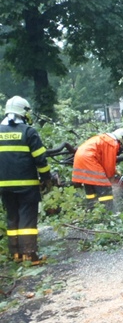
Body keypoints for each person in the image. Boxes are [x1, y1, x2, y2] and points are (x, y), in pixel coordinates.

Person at [0, 96, 52, 265]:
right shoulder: (28, 132)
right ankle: (29, 254)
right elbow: (40, 160)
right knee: (27, 220)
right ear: (24, 112)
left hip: (4, 186)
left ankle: (16, 254)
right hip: (27, 185)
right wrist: (46, 179)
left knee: (12, 217)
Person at [72, 128, 123, 210]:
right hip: (89, 160)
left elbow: (103, 160)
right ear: (121, 140)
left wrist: (115, 171)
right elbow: (108, 167)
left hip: (79, 159)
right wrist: (111, 182)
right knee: (105, 189)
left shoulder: (104, 139)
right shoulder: (112, 144)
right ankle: (109, 212)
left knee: (90, 188)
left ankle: (91, 210)